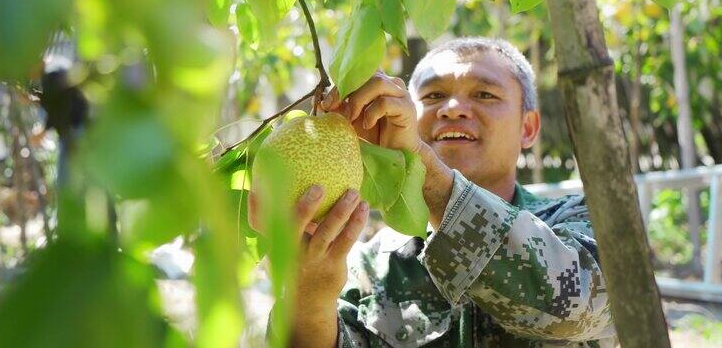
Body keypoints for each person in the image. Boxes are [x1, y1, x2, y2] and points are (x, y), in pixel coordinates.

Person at [249, 37, 616, 347]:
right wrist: (309, 299)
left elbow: (575, 302)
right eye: (434, 95)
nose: (453, 109)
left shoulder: (585, 223)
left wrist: (421, 166)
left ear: (528, 127)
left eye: (485, 94)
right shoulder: (368, 265)